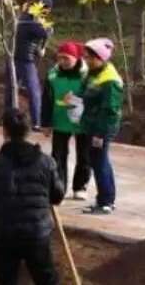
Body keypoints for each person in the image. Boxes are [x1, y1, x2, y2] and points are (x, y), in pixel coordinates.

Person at [0, 109, 65, 285]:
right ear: (29, 131)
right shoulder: (46, 162)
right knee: (46, 278)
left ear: (5, 131)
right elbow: (57, 196)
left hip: (5, 233)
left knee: (6, 280)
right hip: (37, 231)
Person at [41, 41, 91, 201]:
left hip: (83, 121)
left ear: (76, 58)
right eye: (59, 58)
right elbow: (46, 100)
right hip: (60, 120)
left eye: (66, 58)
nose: (62, 62)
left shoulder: (88, 75)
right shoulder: (52, 75)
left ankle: (80, 186)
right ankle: (59, 188)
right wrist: (46, 123)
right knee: (58, 156)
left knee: (84, 155)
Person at [80, 38, 123, 215]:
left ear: (101, 58)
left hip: (102, 127)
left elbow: (110, 110)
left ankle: (106, 201)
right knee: (97, 161)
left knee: (100, 161)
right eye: (86, 57)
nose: (87, 61)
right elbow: (83, 91)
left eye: (90, 57)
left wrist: (99, 133)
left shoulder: (110, 81)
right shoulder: (92, 73)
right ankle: (103, 198)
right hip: (91, 123)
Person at [8, 0, 52, 131]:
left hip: (12, 58)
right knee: (34, 91)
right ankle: (36, 122)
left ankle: (8, 118)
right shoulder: (32, 22)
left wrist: (40, 47)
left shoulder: (22, 18)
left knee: (11, 90)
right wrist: (43, 46)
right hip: (25, 60)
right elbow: (45, 32)